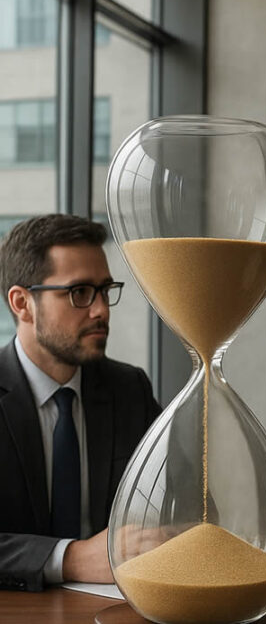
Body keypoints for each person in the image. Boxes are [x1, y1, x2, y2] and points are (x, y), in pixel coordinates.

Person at [0, 215, 160, 592]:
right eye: (80, 293)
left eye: (105, 290)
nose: (101, 310)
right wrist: (71, 558)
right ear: (23, 303)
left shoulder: (129, 389)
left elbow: (185, 500)